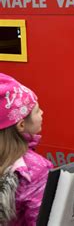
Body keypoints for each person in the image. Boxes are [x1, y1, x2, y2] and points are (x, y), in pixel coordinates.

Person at [0, 73, 53, 225]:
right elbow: (43, 220)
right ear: (21, 125)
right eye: (36, 110)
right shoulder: (36, 170)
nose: (42, 112)